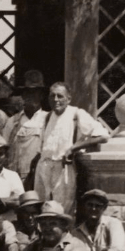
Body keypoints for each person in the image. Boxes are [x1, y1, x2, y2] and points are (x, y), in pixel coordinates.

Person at [33, 82, 111, 213]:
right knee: (42, 207)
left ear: (68, 99)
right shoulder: (46, 117)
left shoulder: (76, 114)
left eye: (60, 96)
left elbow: (103, 136)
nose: (55, 100)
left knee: (62, 209)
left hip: (64, 168)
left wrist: (74, 147)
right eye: (52, 96)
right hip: (44, 167)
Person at [3, 70, 49, 188]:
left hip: (40, 178)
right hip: (15, 178)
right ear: (23, 95)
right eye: (28, 93)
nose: (31, 96)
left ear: (41, 95)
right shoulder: (12, 121)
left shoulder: (48, 119)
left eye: (35, 93)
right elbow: (3, 150)